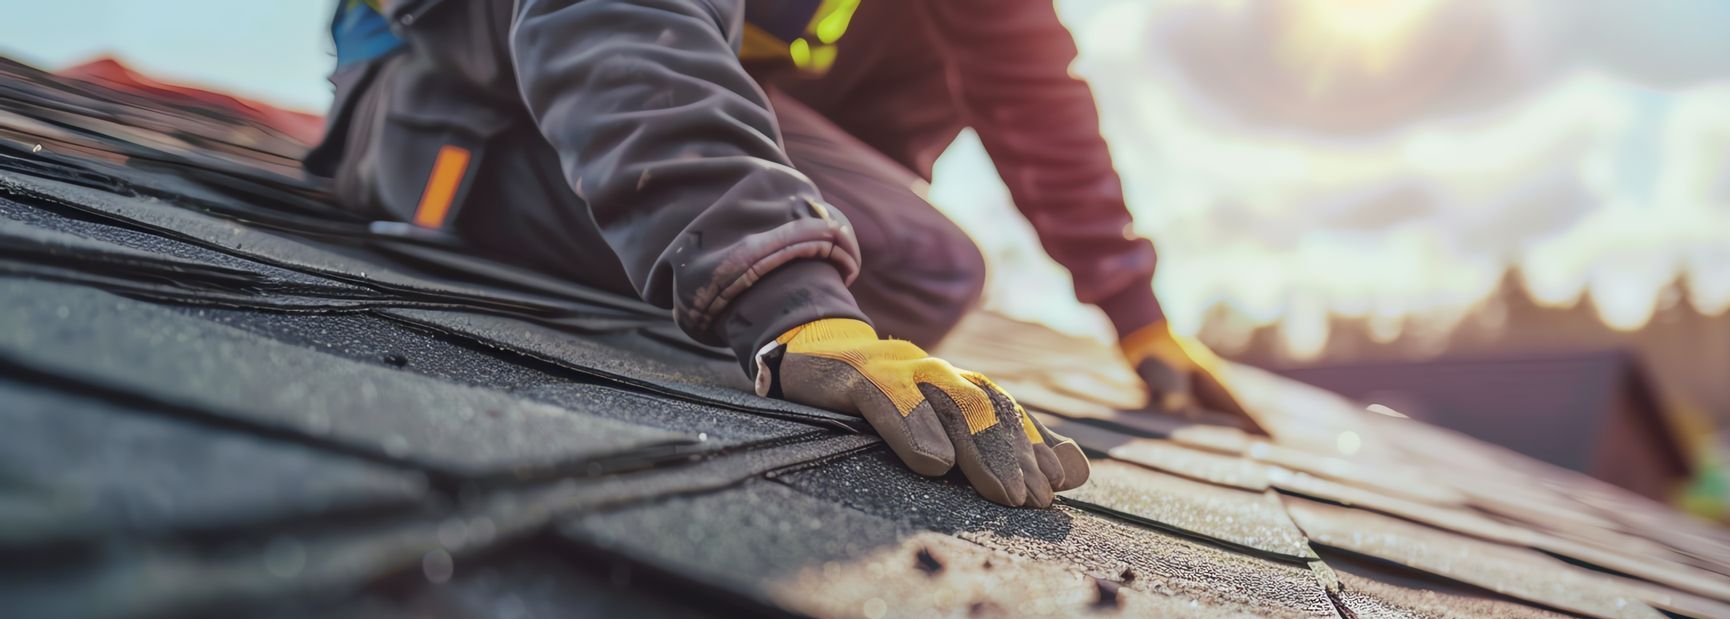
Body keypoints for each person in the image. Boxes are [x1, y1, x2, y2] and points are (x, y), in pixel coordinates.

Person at [307, 0, 1264, 508]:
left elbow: (1029, 87)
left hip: (636, 65)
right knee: (889, 264)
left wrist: (1139, 321)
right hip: (444, 95)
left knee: (931, 265)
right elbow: (614, 13)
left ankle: (663, 219)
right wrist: (787, 297)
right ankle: (505, 189)